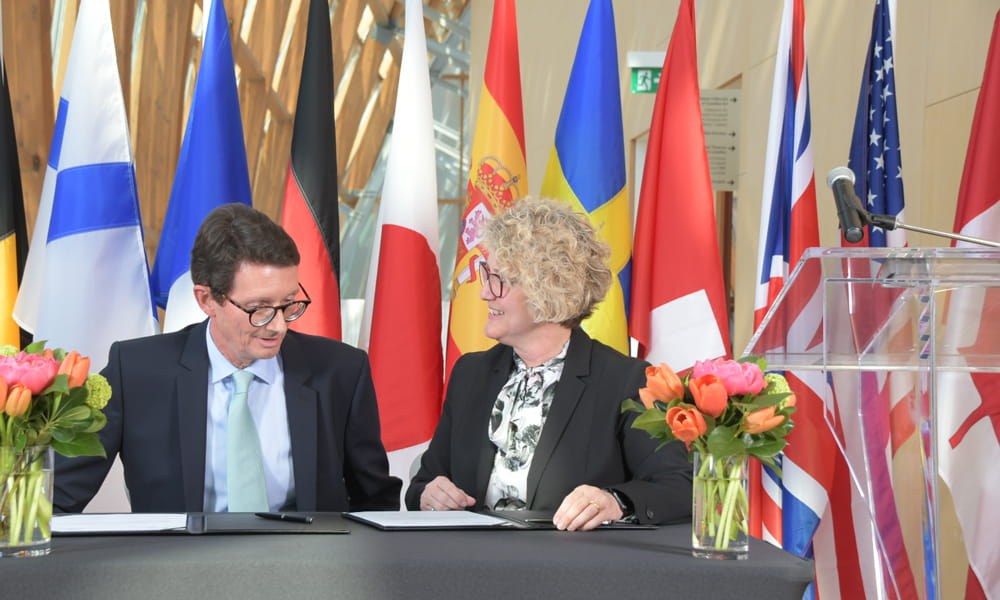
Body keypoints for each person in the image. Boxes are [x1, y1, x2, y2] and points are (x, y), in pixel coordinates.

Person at [55, 203, 401, 512]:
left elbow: (375, 504)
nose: (278, 325)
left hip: (306, 571)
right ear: (207, 300)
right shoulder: (134, 371)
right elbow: (58, 500)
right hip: (173, 574)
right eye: (258, 309)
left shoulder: (341, 370)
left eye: (289, 302)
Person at [407, 198, 691, 530]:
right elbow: (423, 483)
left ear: (549, 290)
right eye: (487, 274)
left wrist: (614, 501)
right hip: (470, 567)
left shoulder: (628, 381)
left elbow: (678, 487)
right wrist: (428, 494)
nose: (484, 293)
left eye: (499, 279)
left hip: (572, 574)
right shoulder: (471, 373)